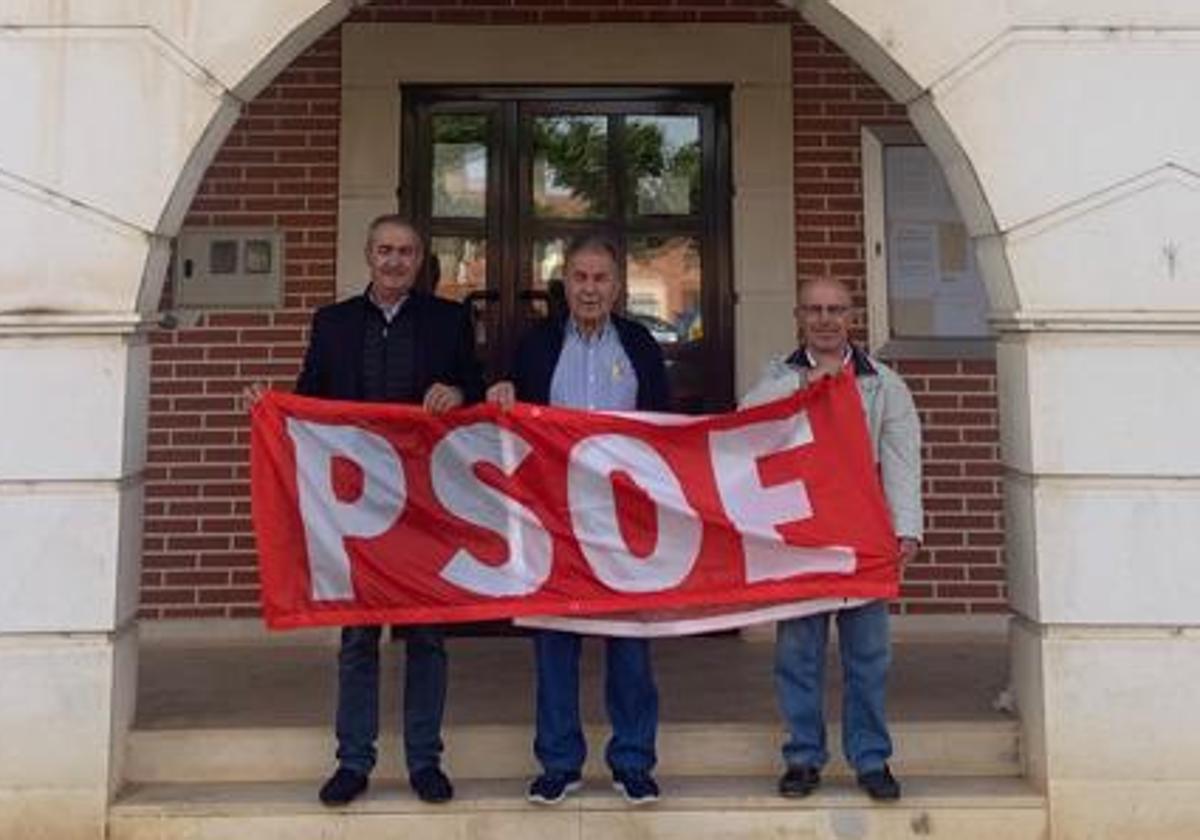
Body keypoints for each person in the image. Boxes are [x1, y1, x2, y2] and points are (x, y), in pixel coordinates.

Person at [246, 214, 482, 807]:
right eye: (385, 250)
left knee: (428, 637)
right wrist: (270, 408)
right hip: (354, 508)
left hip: (426, 505)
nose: (396, 261)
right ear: (368, 256)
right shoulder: (333, 322)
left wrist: (457, 393)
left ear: (421, 259)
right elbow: (309, 398)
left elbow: (474, 391)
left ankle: (425, 761)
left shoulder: (450, 320)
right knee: (358, 637)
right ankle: (353, 761)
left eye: (406, 252)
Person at [487, 235, 669, 806]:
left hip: (624, 519)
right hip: (553, 516)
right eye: (580, 278)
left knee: (630, 644)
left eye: (601, 279)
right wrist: (499, 392)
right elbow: (498, 405)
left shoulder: (640, 343)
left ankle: (633, 761)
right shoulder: (535, 344)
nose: (590, 289)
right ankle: (559, 763)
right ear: (564, 284)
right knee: (555, 642)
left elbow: (667, 426)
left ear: (617, 287)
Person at [741, 277, 922, 802]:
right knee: (798, 652)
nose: (825, 320)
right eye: (815, 310)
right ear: (799, 316)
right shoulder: (779, 376)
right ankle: (802, 756)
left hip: (863, 533)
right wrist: (805, 388)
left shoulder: (885, 384)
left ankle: (870, 758)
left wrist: (905, 528)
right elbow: (746, 421)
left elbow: (903, 459)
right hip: (802, 532)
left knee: (869, 654)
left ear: (852, 317)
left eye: (835, 310)